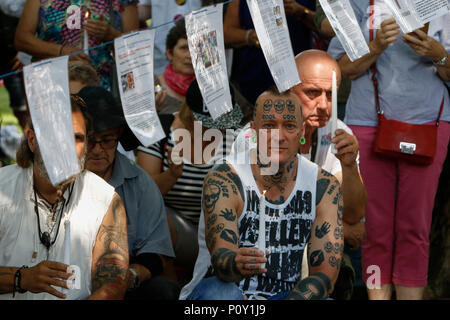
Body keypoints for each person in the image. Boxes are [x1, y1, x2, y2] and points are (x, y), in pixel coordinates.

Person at [327, 1, 450, 300]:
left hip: (429, 121)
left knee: (415, 229)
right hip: (367, 122)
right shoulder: (358, 3)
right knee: (374, 229)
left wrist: (440, 55)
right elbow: (338, 70)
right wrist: (376, 46)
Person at [180, 86, 343, 300]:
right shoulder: (225, 178)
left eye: (289, 126)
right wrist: (235, 264)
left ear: (302, 131)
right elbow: (221, 258)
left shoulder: (324, 185)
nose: (279, 136)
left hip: (285, 296)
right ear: (254, 130)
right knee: (221, 294)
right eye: (269, 126)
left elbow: (324, 277)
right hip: (228, 291)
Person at [0, 97, 129, 299]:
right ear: (32, 140)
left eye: (77, 138)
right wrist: (21, 278)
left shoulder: (104, 200)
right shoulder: (3, 189)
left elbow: (112, 285)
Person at [76, 86, 179, 300]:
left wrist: (131, 275)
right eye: (90, 140)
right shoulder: (59, 181)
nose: (97, 149)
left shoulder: (140, 182)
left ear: (119, 136)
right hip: (67, 280)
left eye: (107, 140)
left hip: (123, 282)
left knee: (163, 291)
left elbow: (157, 251)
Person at [136, 79, 244, 279]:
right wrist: (172, 175)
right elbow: (142, 199)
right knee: (156, 218)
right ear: (189, 113)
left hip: (222, 231)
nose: (214, 129)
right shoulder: (160, 130)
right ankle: (171, 290)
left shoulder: (237, 137)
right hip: (174, 233)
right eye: (207, 123)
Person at [14, 0, 139, 90]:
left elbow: (136, 48)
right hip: (51, 86)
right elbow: (22, 39)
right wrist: (61, 51)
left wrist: (111, 35)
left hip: (104, 89)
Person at [224, 0, 316, 105]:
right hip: (255, 75)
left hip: (297, 75)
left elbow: (327, 26)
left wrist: (302, 12)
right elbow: (226, 34)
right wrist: (250, 36)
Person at [153, 19, 196, 115]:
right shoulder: (152, 86)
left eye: (195, 47)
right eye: (184, 48)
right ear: (169, 53)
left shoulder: (213, 86)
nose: (190, 55)